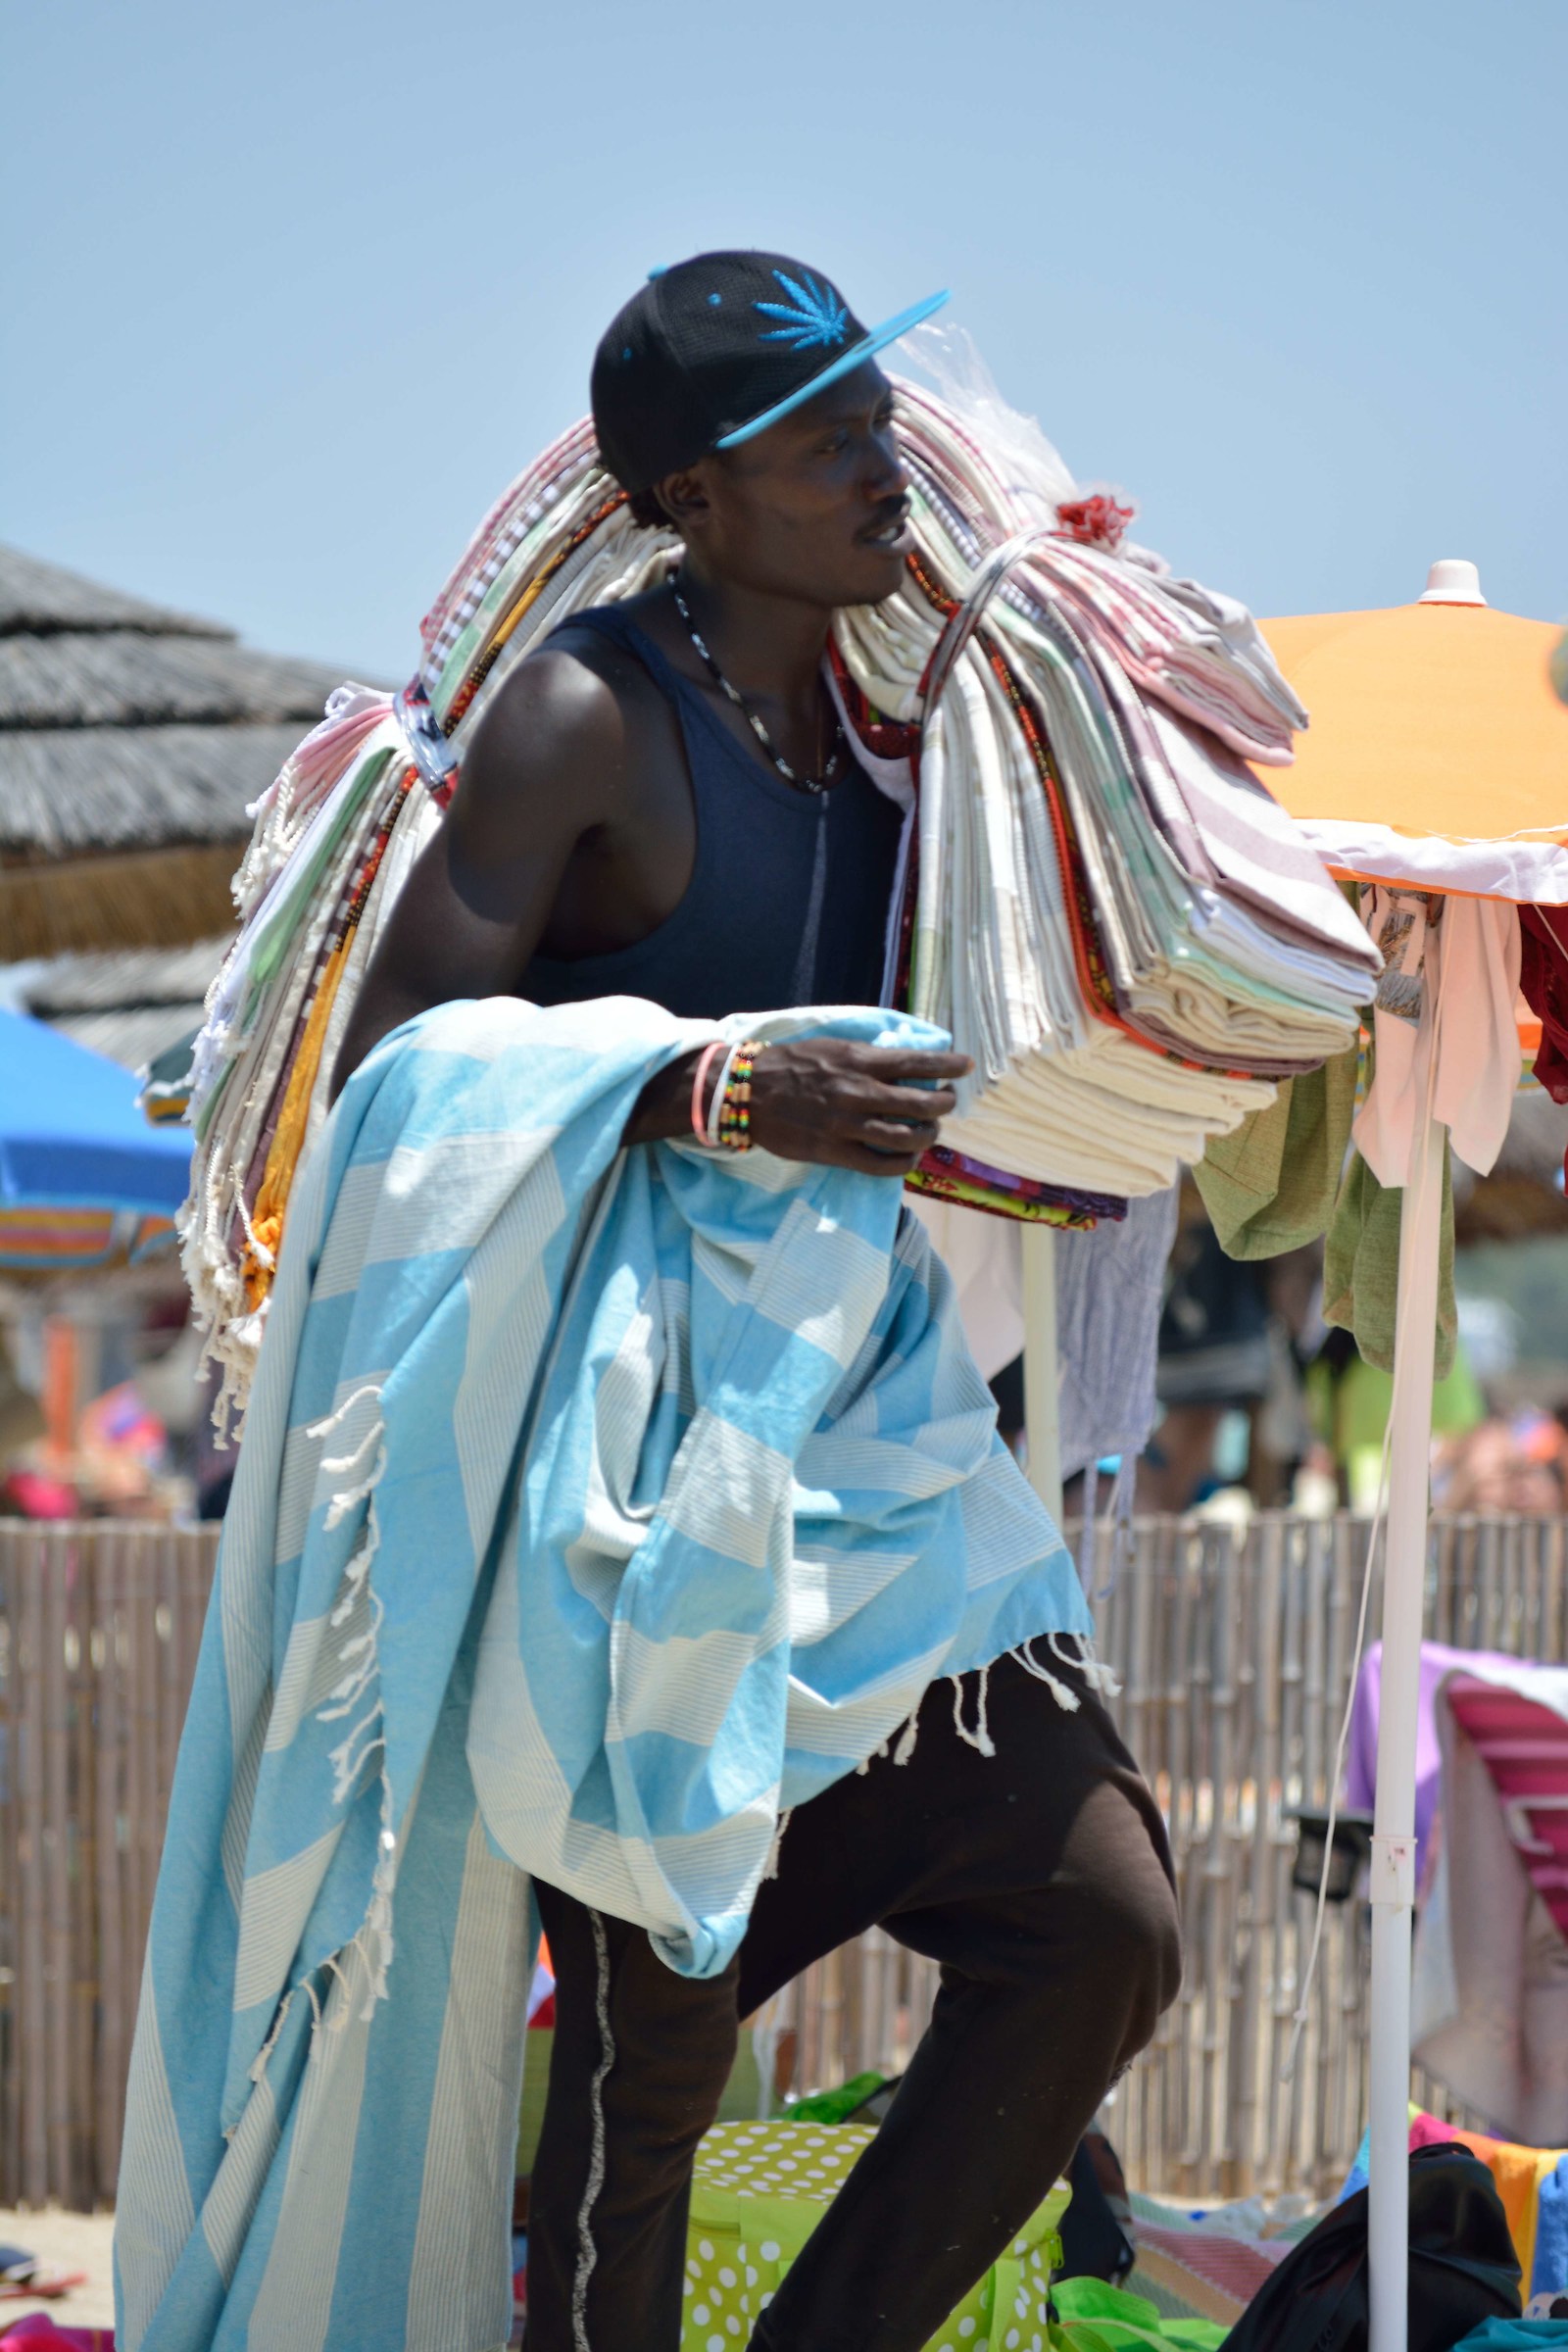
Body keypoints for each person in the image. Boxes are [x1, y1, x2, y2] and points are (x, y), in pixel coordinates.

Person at [334, 253, 1184, 2351]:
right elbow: (388, 1080)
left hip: (872, 1444)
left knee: (1098, 1924)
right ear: (691, 499)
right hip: (638, 1493)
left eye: (877, 414)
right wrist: (709, 1079)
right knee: (648, 2093)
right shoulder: (585, 715)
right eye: (816, 434)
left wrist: (1106, 688)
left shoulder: (914, 730)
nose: (874, 457)